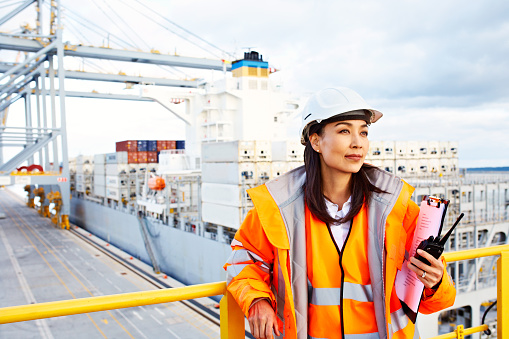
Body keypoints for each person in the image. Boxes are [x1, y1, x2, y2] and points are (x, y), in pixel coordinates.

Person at [224, 87, 456, 339]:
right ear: (315, 141)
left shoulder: (395, 209)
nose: (358, 142)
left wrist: (436, 281)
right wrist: (257, 300)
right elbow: (243, 261)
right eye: (344, 130)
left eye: (364, 132)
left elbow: (438, 301)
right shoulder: (278, 207)